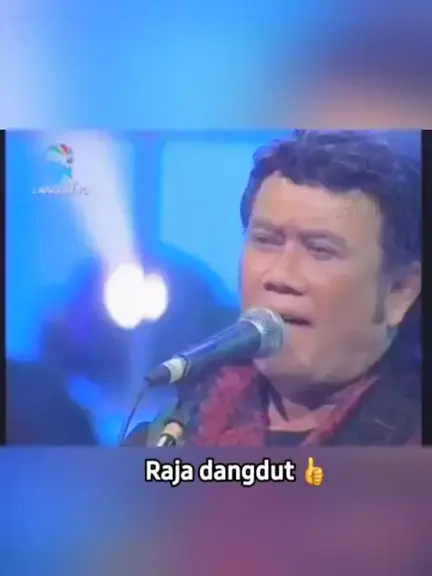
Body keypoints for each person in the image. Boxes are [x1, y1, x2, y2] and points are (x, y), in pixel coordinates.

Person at [126, 130, 422, 447]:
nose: (281, 275)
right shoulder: (173, 431)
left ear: (399, 290)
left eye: (320, 250)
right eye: (266, 241)